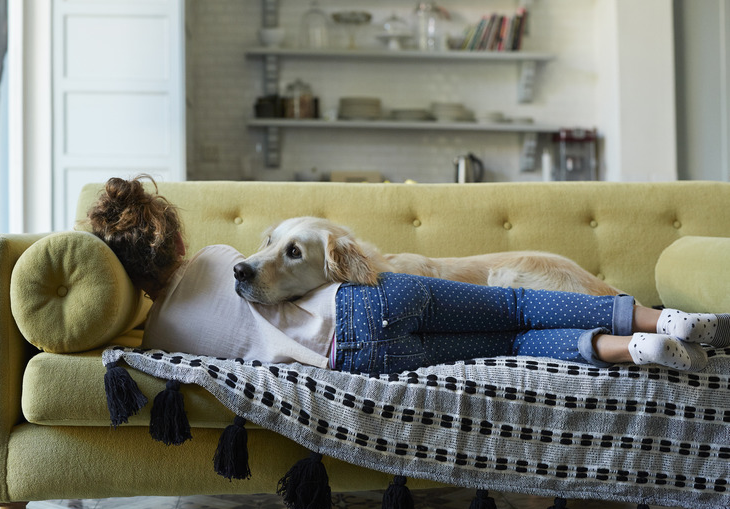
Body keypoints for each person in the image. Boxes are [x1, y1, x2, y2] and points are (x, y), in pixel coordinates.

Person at [87, 175, 729, 374]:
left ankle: (635, 350)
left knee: (512, 347)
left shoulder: (160, 341)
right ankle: (657, 320)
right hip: (382, 301)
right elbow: (344, 275)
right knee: (515, 311)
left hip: (364, 365)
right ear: (172, 234)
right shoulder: (223, 261)